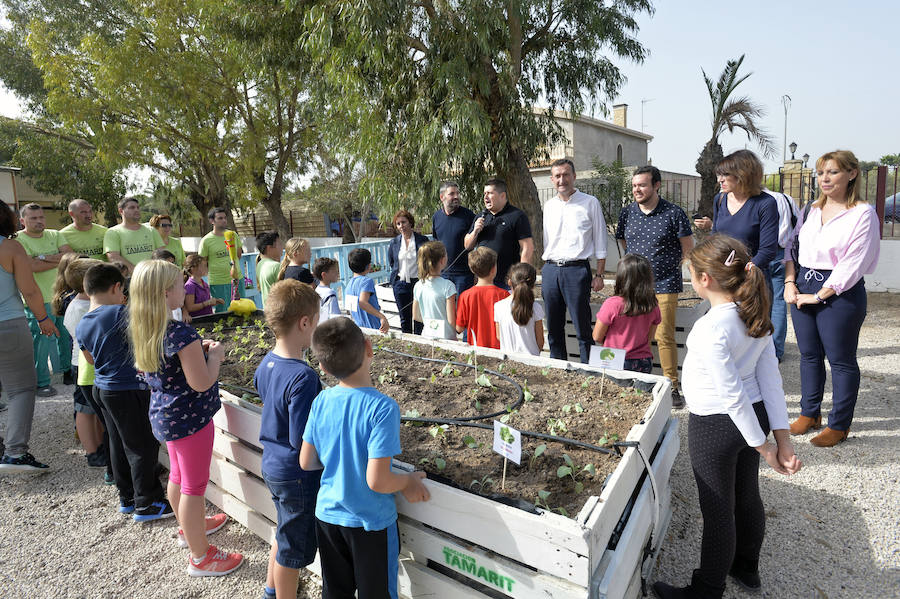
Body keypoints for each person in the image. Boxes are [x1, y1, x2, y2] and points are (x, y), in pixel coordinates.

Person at [653, 234, 801, 599]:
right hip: (753, 418)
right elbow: (769, 379)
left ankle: (706, 590)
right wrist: (779, 440)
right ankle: (746, 568)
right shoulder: (753, 314)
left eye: (691, 273)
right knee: (746, 494)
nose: (690, 279)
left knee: (719, 509)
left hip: (716, 426)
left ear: (705, 279)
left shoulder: (711, 327)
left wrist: (767, 448)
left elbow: (731, 395)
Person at [300, 317, 430, 599]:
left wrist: (341, 458)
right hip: (369, 524)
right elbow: (378, 481)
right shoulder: (382, 408)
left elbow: (307, 461)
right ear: (369, 348)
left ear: (322, 367)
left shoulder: (321, 401)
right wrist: (407, 481)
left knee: (335, 592)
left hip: (327, 517)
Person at [128, 259, 241, 576]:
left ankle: (188, 527)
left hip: (166, 418)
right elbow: (202, 382)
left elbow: (172, 368)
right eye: (180, 284)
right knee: (194, 486)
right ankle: (201, 556)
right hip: (191, 420)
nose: (184, 288)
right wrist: (215, 356)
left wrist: (195, 351)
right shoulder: (180, 332)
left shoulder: (146, 328)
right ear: (166, 293)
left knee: (178, 476)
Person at [784, 150, 880, 448]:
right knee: (809, 356)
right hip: (802, 285)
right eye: (821, 173)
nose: (825, 178)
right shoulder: (811, 209)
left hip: (840, 292)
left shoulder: (862, 213)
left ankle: (839, 424)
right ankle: (809, 414)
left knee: (841, 360)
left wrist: (821, 295)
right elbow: (792, 247)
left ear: (851, 174)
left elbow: (854, 261)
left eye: (833, 172)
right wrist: (790, 283)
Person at [76, 263, 174, 520]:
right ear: (117, 287)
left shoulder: (83, 322)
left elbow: (89, 360)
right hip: (129, 390)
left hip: (102, 389)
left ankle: (127, 496)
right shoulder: (121, 313)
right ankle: (149, 502)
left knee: (118, 443)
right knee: (142, 445)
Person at [254, 280, 323, 599]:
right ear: (304, 322)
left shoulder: (267, 362)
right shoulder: (304, 377)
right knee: (293, 551)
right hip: (296, 476)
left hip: (272, 464)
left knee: (284, 532)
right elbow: (302, 440)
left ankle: (272, 589)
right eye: (316, 322)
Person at [617, 165, 694, 405]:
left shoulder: (673, 213)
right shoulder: (627, 212)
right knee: (635, 336)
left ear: (656, 185)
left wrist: (676, 268)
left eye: (642, 185)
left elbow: (688, 247)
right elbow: (622, 240)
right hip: (633, 286)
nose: (636, 190)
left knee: (664, 336)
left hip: (665, 284)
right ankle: (636, 382)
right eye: (634, 185)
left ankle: (671, 387)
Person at [0, 201, 58, 473]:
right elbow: (30, 290)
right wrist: (43, 319)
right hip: (8, 323)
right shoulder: (11, 247)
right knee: (21, 389)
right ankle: (15, 452)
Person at [542, 159, 607, 363]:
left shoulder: (590, 202)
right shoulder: (549, 206)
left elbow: (601, 240)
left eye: (566, 174)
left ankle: (589, 371)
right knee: (553, 327)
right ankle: (558, 368)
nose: (562, 180)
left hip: (577, 271)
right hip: (551, 270)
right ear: (552, 179)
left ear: (574, 176)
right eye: (558, 176)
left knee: (582, 327)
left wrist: (599, 274)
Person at [693, 150, 779, 286]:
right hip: (723, 278)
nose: (719, 179)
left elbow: (768, 250)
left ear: (744, 174)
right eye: (719, 174)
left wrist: (744, 271)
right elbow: (715, 236)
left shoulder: (765, 203)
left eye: (726, 174)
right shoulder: (720, 199)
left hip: (751, 281)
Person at [17, 202, 74, 395]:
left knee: (66, 336)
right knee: (41, 342)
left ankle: (67, 371)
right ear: (22, 220)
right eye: (33, 218)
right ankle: (41, 382)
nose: (39, 221)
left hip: (62, 294)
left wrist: (41, 257)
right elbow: (30, 267)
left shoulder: (55, 234)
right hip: (37, 299)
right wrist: (55, 258)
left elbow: (70, 256)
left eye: (41, 217)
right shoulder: (18, 240)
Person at [55, 256, 107, 466]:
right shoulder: (80, 308)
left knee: (95, 409)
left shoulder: (87, 302)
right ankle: (92, 452)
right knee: (85, 410)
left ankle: (100, 445)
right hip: (85, 365)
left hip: (92, 363)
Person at [592, 254, 661, 374]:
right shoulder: (653, 305)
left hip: (613, 359)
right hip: (643, 361)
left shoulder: (612, 304)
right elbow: (649, 337)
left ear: (621, 277)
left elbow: (597, 336)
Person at [464, 178, 534, 289]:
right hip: (483, 281)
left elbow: (527, 247)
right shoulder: (481, 217)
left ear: (502, 196)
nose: (485, 197)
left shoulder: (517, 216)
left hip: (507, 281)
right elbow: (467, 246)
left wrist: (521, 278)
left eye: (490, 193)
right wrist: (475, 231)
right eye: (484, 193)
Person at [762, 187, 799, 363]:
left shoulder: (754, 200)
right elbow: (798, 224)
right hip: (782, 253)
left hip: (760, 253)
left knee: (758, 301)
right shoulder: (785, 198)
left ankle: (760, 349)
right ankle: (776, 350)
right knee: (778, 302)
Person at [456, 247, 508, 349]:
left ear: (472, 269)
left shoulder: (465, 296)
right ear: (493, 269)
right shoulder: (504, 295)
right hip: (500, 350)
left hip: (475, 349)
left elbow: (459, 328)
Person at [432, 181, 476, 298]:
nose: (456, 196)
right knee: (446, 310)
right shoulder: (436, 217)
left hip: (464, 274)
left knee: (462, 311)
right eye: (452, 194)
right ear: (442, 197)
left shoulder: (468, 215)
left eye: (457, 193)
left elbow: (475, 244)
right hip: (443, 273)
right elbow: (436, 244)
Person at [388, 210, 429, 334]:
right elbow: (392, 262)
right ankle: (408, 343)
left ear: (410, 222)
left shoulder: (422, 240)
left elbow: (427, 261)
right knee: (404, 318)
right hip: (400, 284)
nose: (401, 226)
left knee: (418, 318)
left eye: (404, 222)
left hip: (418, 283)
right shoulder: (394, 242)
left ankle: (419, 344)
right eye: (398, 223)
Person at [104, 197, 165, 274]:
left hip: (154, 276)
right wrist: (138, 273)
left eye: (138, 207)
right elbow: (113, 257)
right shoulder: (113, 232)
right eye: (132, 208)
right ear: (121, 211)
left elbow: (162, 254)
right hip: (129, 279)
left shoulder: (151, 230)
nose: (136, 210)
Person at [494, 262, 544, 356]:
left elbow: (499, 336)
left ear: (509, 282)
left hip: (508, 362)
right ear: (533, 285)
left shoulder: (498, 306)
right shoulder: (536, 308)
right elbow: (540, 342)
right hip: (533, 361)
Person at [198, 207, 242, 311]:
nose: (224, 220)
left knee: (241, 311)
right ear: (212, 221)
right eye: (220, 218)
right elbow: (203, 262)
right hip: (218, 282)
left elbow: (238, 254)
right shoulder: (206, 241)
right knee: (222, 313)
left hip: (237, 280)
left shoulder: (233, 235)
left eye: (225, 218)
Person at [412, 241, 457, 339]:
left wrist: (432, 324)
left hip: (427, 335)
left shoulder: (418, 285)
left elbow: (416, 316)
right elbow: (451, 320)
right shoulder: (448, 286)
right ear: (443, 260)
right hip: (447, 338)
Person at [344, 248, 389, 333]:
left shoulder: (349, 284)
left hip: (358, 330)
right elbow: (362, 303)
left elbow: (350, 309)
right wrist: (381, 316)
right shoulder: (367, 281)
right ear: (368, 266)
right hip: (372, 329)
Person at [255, 231, 283, 305]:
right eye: (279, 244)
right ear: (269, 247)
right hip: (279, 310)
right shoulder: (276, 266)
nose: (282, 247)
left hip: (268, 308)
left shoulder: (259, 263)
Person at [313, 257, 341, 323]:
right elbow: (336, 317)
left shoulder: (317, 289)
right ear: (324, 275)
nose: (337, 273)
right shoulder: (330, 294)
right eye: (334, 271)